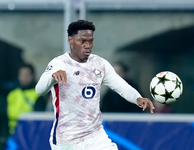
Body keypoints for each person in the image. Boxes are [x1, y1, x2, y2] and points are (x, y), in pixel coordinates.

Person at [35, 20, 155, 150]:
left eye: (90, 41)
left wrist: (137, 98)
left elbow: (122, 87)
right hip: (66, 138)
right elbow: (39, 89)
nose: (88, 46)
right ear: (70, 40)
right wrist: (52, 77)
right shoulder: (59, 63)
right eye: (82, 41)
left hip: (95, 136)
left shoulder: (100, 64)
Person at [7, 63, 47, 135]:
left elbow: (40, 120)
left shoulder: (38, 95)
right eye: (21, 75)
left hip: (29, 136)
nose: (24, 78)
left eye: (26, 75)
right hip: (12, 135)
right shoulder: (12, 94)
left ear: (32, 76)